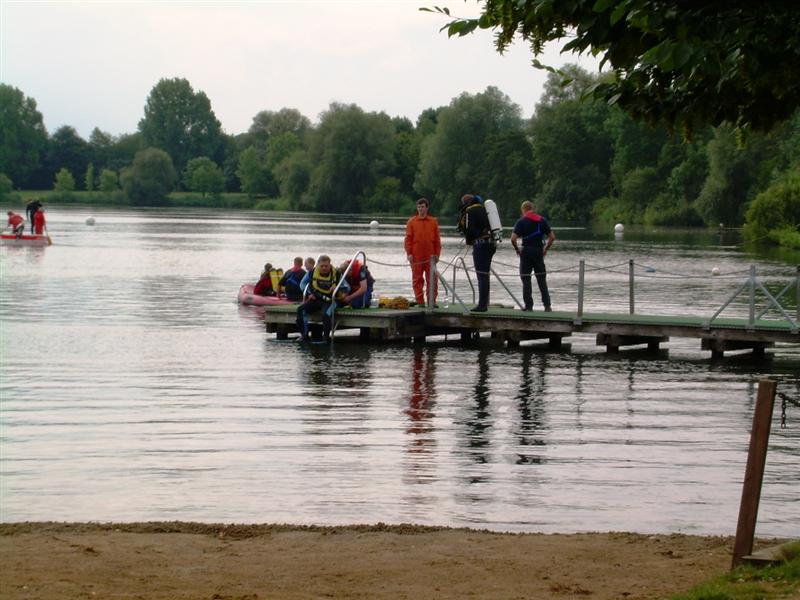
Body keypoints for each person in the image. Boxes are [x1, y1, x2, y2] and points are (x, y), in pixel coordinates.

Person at [510, 201, 555, 312]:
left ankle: (529, 306)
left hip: (526, 252)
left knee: (526, 279)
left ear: (523, 210)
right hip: (538, 251)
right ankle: (547, 306)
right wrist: (545, 249)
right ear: (532, 208)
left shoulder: (521, 221)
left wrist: (517, 249)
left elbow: (513, 239)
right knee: (541, 279)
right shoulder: (542, 221)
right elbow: (552, 237)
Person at [457, 194, 496, 312]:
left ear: (466, 202)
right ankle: (484, 303)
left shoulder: (470, 211)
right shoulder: (485, 210)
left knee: (481, 275)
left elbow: (470, 229)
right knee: (485, 275)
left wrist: (469, 242)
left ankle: (482, 305)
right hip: (491, 244)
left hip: (480, 245)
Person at [296, 255, 343, 342]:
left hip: (331, 300)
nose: (324, 268)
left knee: (325, 314)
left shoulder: (337, 273)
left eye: (326, 266)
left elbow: (347, 288)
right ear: (318, 265)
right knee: (300, 310)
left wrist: (337, 288)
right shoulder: (312, 272)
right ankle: (304, 335)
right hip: (316, 299)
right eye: (322, 266)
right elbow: (302, 284)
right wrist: (309, 294)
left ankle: (325, 338)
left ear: (330, 265)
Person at [404, 197, 441, 307]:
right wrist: (409, 253)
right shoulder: (412, 221)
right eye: (419, 207)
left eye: (423, 207)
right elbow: (408, 239)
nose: (420, 209)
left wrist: (437, 254)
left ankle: (432, 301)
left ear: (427, 208)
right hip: (416, 255)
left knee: (432, 280)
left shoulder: (433, 221)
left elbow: (437, 240)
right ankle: (420, 302)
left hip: (430, 255)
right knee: (417, 279)